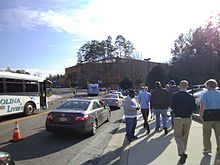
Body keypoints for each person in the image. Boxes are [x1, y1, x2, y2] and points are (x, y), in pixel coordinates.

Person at [171, 80, 197, 164]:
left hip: (178, 117)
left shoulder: (174, 96)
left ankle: (182, 153)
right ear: (187, 86)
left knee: (177, 136)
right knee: (185, 136)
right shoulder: (191, 97)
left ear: (179, 86)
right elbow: (194, 108)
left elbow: (171, 106)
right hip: (188, 118)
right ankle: (183, 152)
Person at [199, 79, 220, 155]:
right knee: (219, 134)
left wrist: (201, 115)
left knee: (206, 134)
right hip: (218, 115)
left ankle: (207, 148)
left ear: (208, 86)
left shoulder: (206, 94)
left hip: (208, 115)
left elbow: (202, 106)